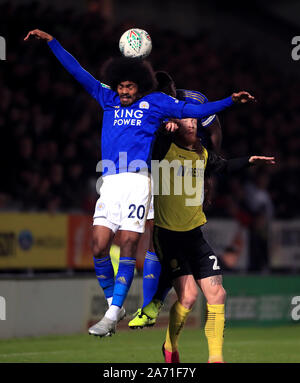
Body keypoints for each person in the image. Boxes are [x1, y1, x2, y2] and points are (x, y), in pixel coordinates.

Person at [24, 28, 255, 338]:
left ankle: (110, 315)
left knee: (130, 243)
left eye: (130, 86)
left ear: (140, 86)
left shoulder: (156, 103)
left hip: (137, 180)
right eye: (121, 86)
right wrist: (53, 44)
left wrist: (230, 101)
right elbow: (77, 71)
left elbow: (195, 110)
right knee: (98, 246)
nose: (124, 92)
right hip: (110, 182)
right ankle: (114, 305)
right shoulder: (107, 98)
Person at [137, 117, 275, 363]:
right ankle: (170, 347)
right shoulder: (163, 150)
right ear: (175, 126)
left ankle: (215, 358)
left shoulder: (202, 155)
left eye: (193, 121)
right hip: (168, 237)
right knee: (188, 297)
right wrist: (163, 131)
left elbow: (224, 166)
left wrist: (250, 161)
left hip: (194, 237)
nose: (191, 124)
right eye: (185, 121)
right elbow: (155, 139)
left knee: (218, 294)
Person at [129, 71, 222, 329]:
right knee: (156, 232)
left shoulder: (191, 100)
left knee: (177, 232)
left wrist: (209, 176)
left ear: (174, 89)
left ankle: (154, 304)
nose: (167, 98)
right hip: (156, 167)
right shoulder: (146, 105)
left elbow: (214, 128)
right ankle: (151, 305)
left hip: (189, 167)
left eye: (170, 93)